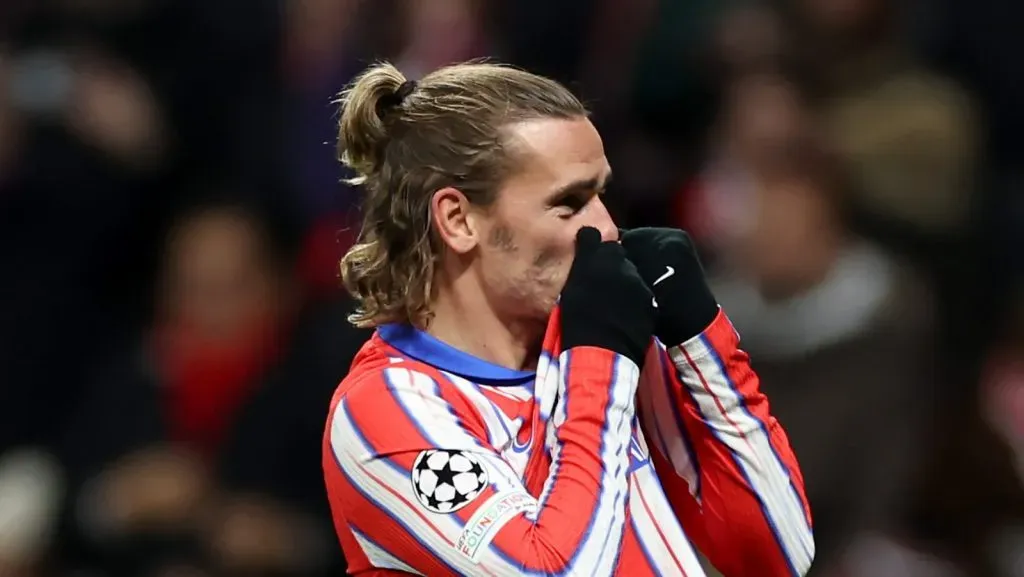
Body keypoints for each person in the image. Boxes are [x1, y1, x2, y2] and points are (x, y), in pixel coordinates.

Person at [322, 60, 815, 577]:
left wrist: (702, 343)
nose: (605, 226)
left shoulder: (614, 348)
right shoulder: (385, 408)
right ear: (458, 219)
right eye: (569, 203)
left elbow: (778, 555)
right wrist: (600, 367)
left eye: (601, 194)